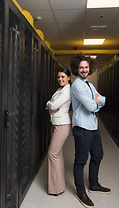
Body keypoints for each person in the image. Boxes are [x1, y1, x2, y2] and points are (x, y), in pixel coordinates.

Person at [70, 53, 111, 208]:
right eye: (81, 67)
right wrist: (95, 101)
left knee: (98, 155)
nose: (84, 70)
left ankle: (93, 184)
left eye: (86, 67)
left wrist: (96, 100)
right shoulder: (77, 85)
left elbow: (103, 99)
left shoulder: (88, 83)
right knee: (80, 161)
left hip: (93, 126)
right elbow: (92, 106)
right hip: (82, 128)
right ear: (76, 68)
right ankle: (81, 192)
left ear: (90, 68)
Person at [46, 67, 72, 196]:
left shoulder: (67, 91)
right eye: (59, 77)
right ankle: (60, 185)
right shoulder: (60, 89)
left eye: (63, 77)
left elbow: (53, 105)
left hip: (62, 125)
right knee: (58, 154)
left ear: (68, 78)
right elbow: (50, 104)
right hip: (55, 123)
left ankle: (56, 189)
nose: (60, 79)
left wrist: (51, 104)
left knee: (52, 154)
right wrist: (50, 104)